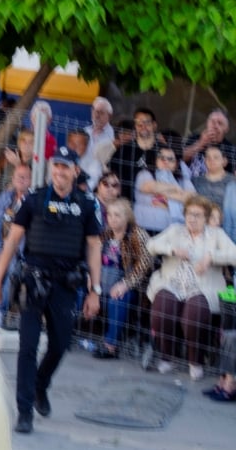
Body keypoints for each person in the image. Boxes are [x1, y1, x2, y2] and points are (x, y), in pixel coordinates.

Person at [0, 146, 102, 434]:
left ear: (76, 171)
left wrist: (95, 290)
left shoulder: (87, 205)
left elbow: (94, 246)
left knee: (61, 343)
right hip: (34, 281)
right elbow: (12, 241)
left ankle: (40, 385)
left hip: (65, 284)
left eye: (66, 167)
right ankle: (24, 411)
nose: (60, 172)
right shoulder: (34, 199)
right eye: (56, 166)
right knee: (27, 347)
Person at [146, 194, 236, 380]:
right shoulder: (175, 230)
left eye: (198, 215)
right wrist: (172, 250)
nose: (192, 219)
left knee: (194, 314)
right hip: (172, 283)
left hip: (202, 287)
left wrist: (212, 257)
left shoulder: (216, 235)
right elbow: (151, 245)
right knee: (162, 307)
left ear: (206, 218)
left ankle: (195, 361)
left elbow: (234, 254)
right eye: (189, 214)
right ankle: (167, 357)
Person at [91, 198, 152, 359]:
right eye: (109, 215)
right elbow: (93, 259)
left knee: (117, 298)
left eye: (117, 215)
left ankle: (110, 345)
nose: (112, 219)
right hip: (102, 280)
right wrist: (92, 282)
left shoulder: (137, 234)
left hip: (128, 285)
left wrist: (125, 284)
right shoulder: (104, 233)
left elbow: (144, 265)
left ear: (127, 217)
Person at [0, 163, 32, 330]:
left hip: (19, 252)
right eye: (18, 176)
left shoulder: (32, 201)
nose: (21, 180)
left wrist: (5, 256)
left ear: (31, 180)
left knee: (13, 270)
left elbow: (26, 236)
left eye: (25, 177)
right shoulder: (4, 197)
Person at [134, 146, 194, 235]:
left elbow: (191, 197)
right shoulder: (145, 174)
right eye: (161, 158)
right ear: (155, 160)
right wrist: (175, 188)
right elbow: (150, 187)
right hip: (144, 229)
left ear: (176, 164)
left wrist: (163, 195)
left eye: (170, 159)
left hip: (173, 231)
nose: (165, 161)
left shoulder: (181, 180)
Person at [111, 107, 163, 201]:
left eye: (147, 123)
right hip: (127, 202)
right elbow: (112, 175)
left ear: (154, 125)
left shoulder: (163, 151)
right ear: (135, 126)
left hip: (156, 204)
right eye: (139, 123)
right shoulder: (124, 150)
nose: (143, 126)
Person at [182, 108, 235, 176]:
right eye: (212, 122)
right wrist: (200, 144)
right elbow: (181, 158)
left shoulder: (231, 149)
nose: (215, 126)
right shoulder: (195, 138)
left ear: (226, 129)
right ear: (207, 123)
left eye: (220, 123)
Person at [193, 145, 234, 210]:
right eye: (208, 157)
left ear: (224, 161)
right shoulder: (195, 181)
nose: (211, 160)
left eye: (216, 157)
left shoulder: (233, 181)